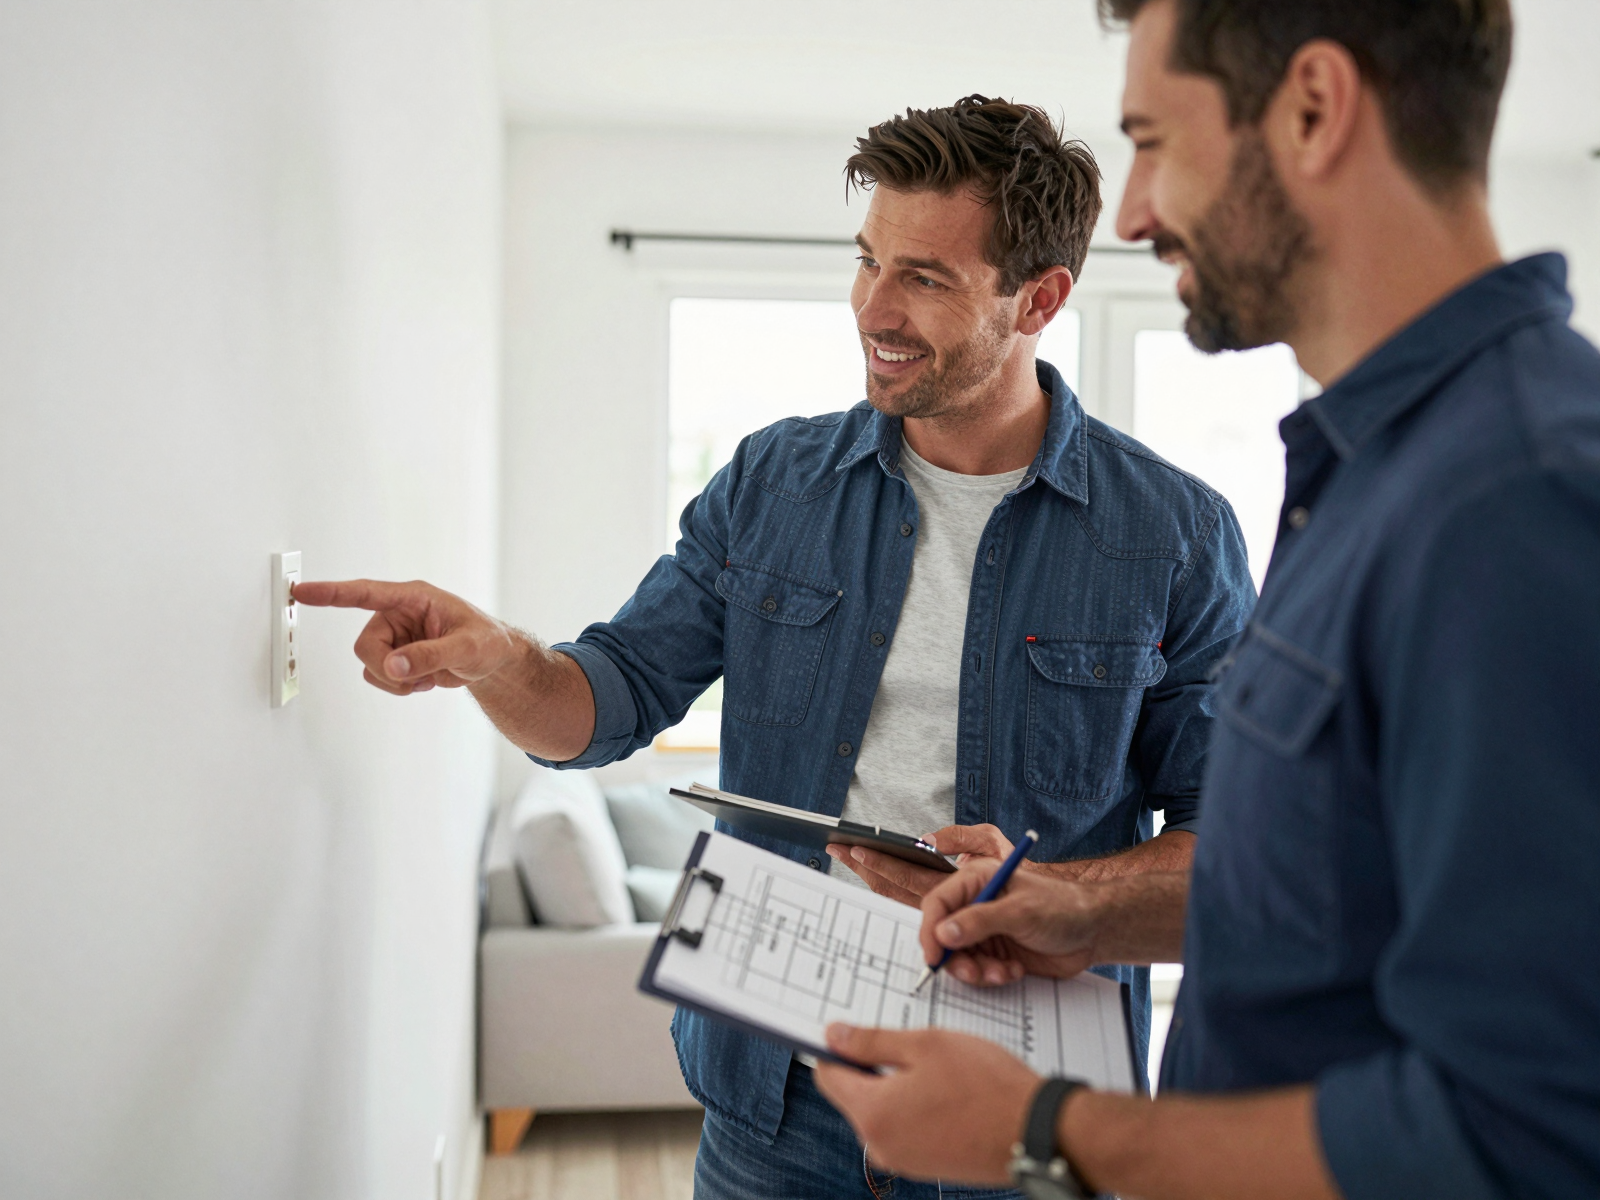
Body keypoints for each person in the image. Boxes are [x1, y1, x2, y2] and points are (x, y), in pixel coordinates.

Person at [293, 96, 1256, 1200]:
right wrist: (497, 658)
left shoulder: (1175, 535)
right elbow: (606, 703)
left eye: (924, 277)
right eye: (867, 260)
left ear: (1039, 297)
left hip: (1021, 1121)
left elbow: (1235, 852)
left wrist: (1056, 895)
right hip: (775, 1112)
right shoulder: (772, 484)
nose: (873, 308)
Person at [815, 3, 1600, 1199]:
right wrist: (1079, 912)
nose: (1134, 213)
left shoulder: (1521, 498)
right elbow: (1328, 902)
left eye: (1152, 142)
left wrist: (1051, 1131)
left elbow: (1527, 1134)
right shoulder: (1377, 470)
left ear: (1313, 110)